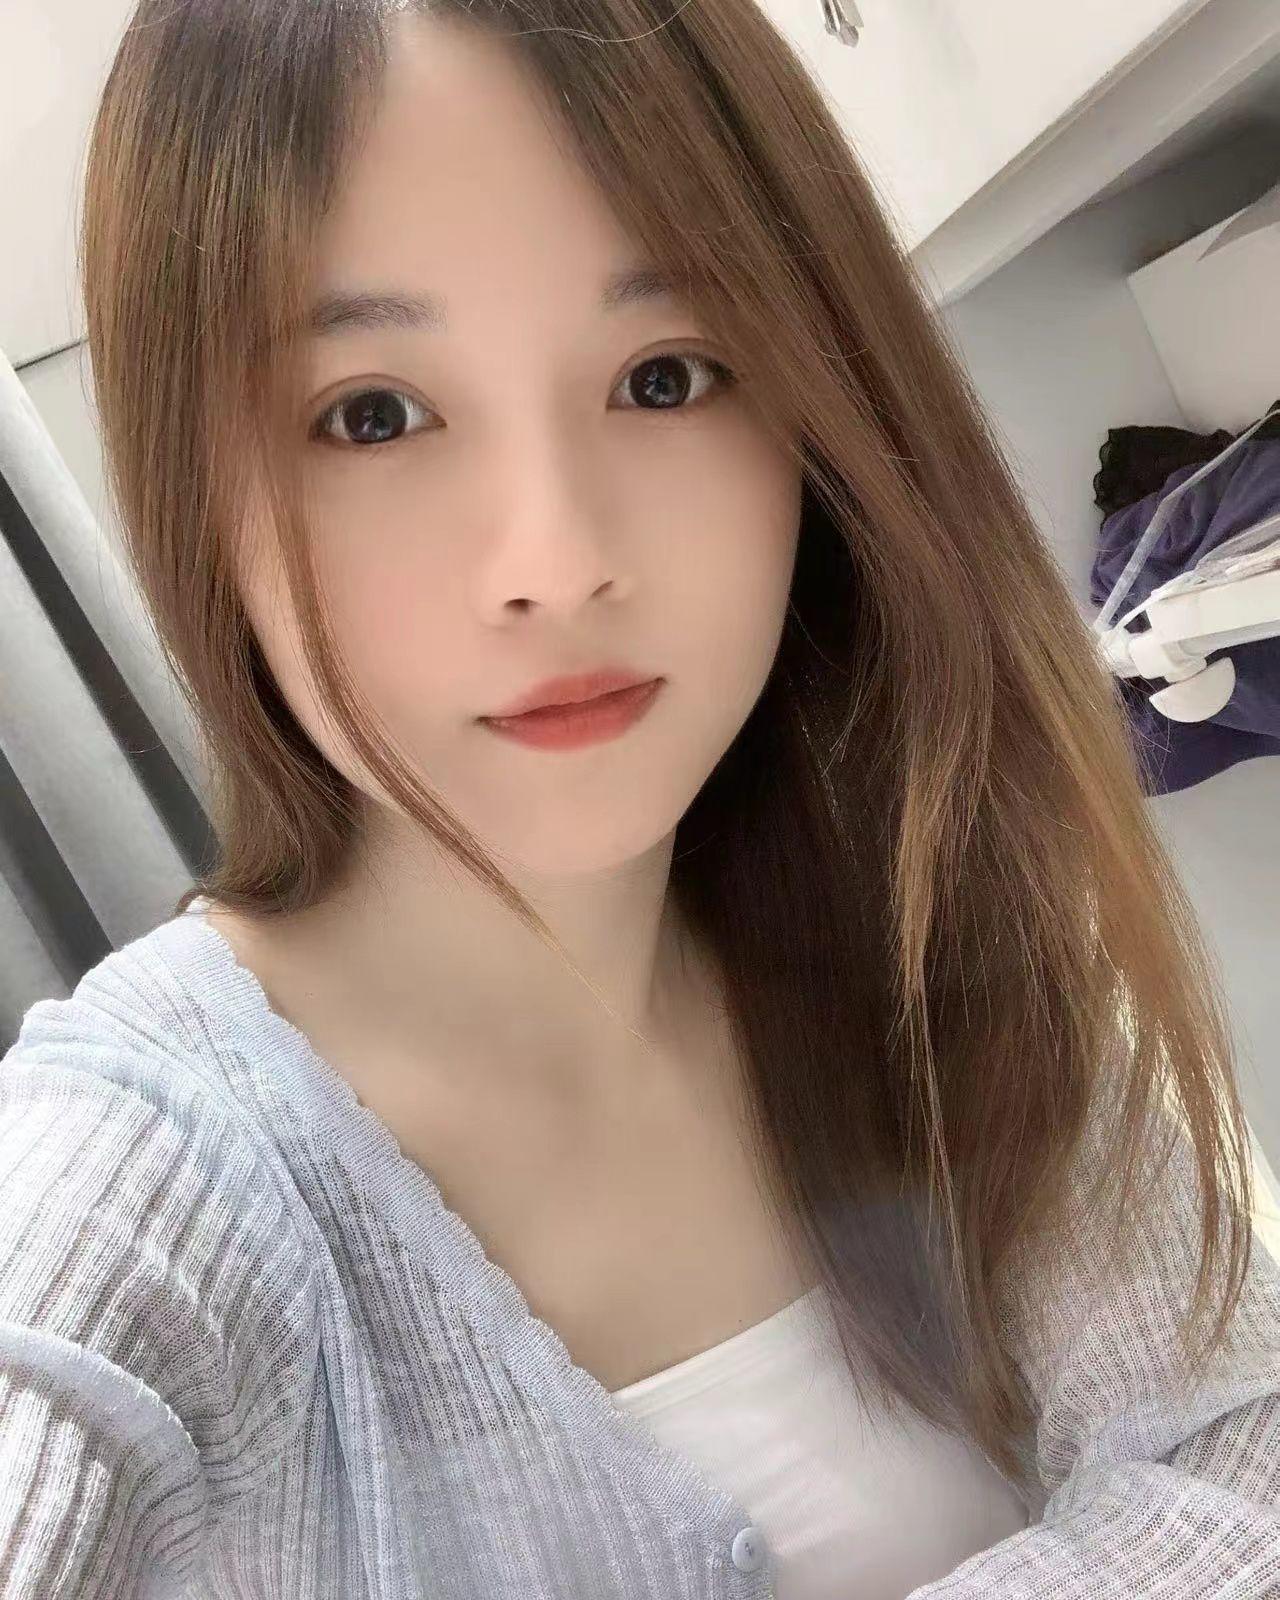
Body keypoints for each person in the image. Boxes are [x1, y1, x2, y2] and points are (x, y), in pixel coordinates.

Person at [2, 1, 1278, 1596]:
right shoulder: (144, 1174)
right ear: (196, 494)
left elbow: (1241, 1453)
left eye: (666, 375)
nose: (555, 563)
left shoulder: (925, 905)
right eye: (371, 412)